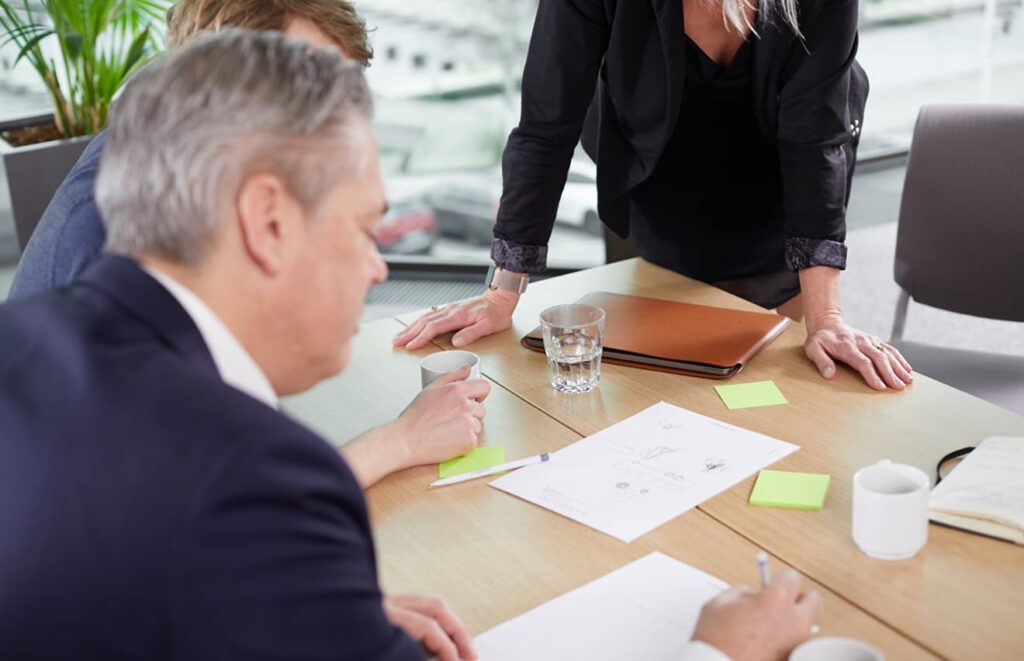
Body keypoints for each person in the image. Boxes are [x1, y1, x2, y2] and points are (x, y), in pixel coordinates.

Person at [0, 30, 821, 661]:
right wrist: (716, 649)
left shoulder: (25, 340)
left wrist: (304, 615)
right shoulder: (262, 485)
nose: (379, 267)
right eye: (362, 229)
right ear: (268, 222)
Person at [7, 0, 486, 489]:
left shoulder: (165, 161)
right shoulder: (121, 236)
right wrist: (401, 441)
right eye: (304, 89)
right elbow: (197, 501)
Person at [394, 0, 914, 394]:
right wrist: (502, 292)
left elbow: (814, 139)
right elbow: (546, 124)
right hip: (656, 161)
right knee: (665, 368)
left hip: (783, 170)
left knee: (776, 373)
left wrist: (827, 319)